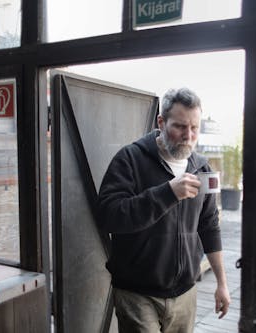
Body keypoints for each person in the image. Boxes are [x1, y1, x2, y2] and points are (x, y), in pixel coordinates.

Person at [97, 87, 230, 333]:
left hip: (185, 294)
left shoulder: (202, 168)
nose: (188, 136)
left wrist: (222, 283)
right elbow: (110, 216)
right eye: (180, 126)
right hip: (137, 294)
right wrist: (167, 193)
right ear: (161, 122)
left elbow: (210, 226)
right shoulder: (129, 159)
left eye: (194, 128)